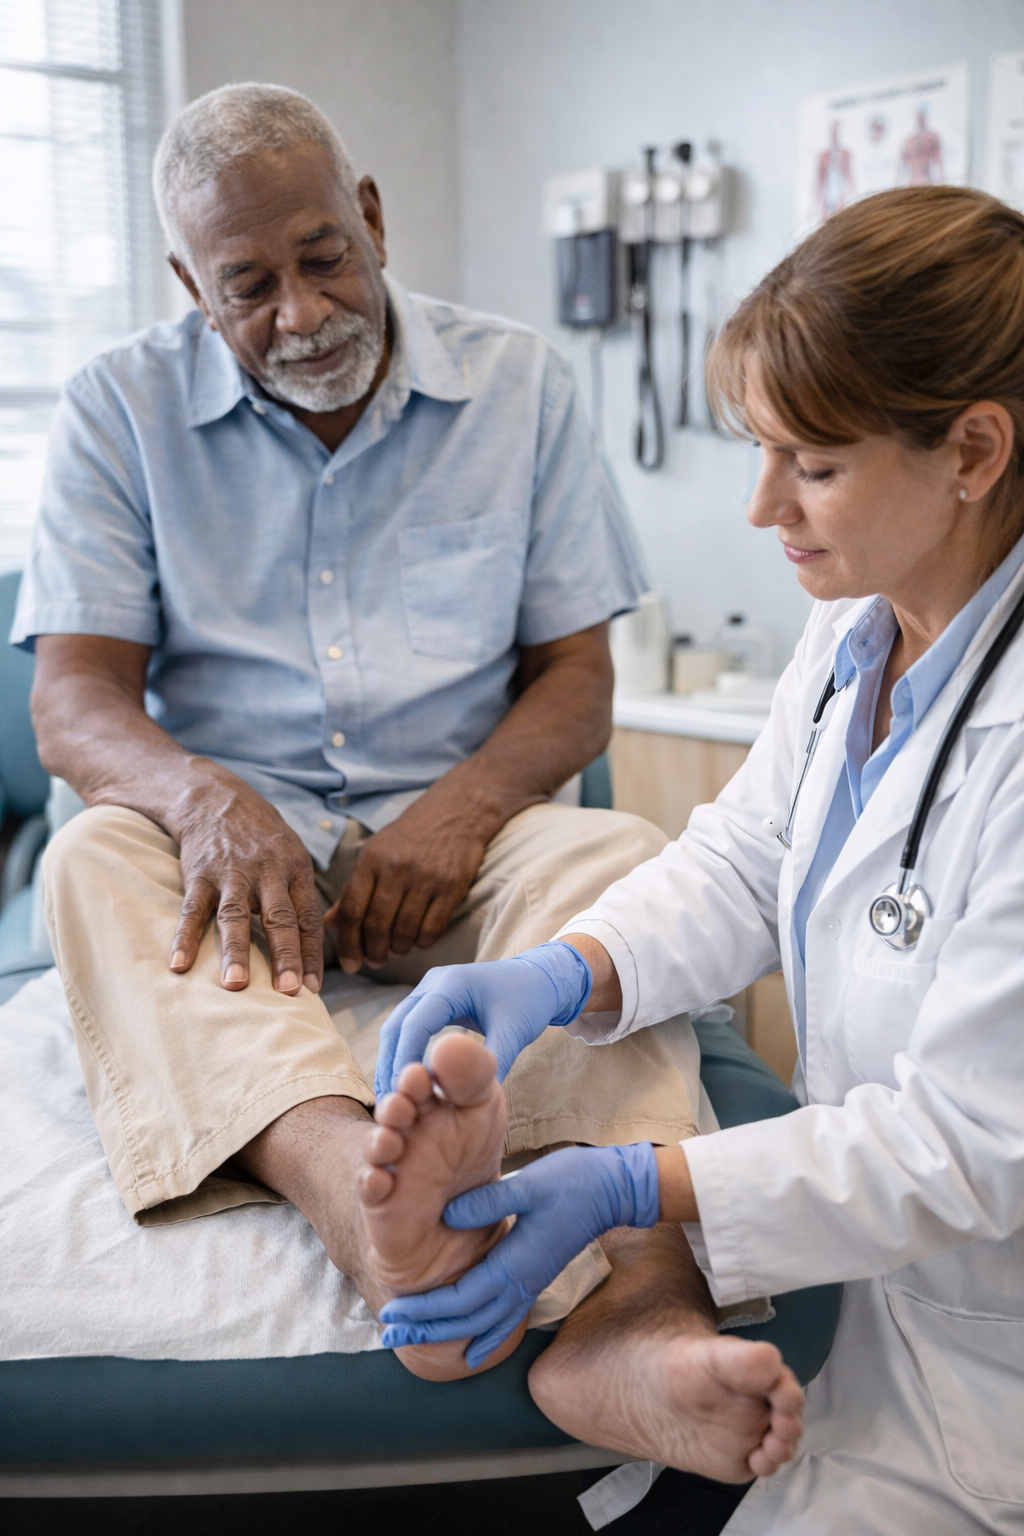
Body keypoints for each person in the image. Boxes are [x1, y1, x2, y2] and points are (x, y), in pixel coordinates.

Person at [11, 83, 711, 1385]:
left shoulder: (520, 384)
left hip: (459, 844)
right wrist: (207, 803)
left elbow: (575, 681)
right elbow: (74, 700)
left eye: (324, 257)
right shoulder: (117, 406)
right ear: (192, 285)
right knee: (89, 860)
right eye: (250, 285)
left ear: (373, 217)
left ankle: (643, 1292)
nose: (302, 313)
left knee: (618, 855)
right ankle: (362, 1198)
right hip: (234, 875)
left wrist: (462, 812)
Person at [376, 186, 1024, 1531]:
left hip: (987, 1363)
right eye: (762, 452)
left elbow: (970, 1145)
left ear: (972, 449)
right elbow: (744, 857)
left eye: (813, 465)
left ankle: (631, 1319)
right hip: (866, 1286)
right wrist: (565, 970)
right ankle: (635, 1331)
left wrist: (634, 1186)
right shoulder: (858, 628)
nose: (760, 505)